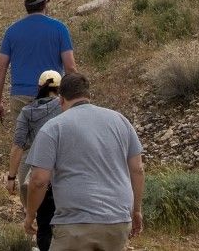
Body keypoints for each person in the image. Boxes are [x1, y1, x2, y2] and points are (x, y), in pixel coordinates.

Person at [24, 73, 145, 251]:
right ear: (88, 96)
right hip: (117, 223)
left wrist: (30, 215)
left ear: (61, 99)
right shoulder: (120, 121)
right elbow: (138, 170)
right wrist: (136, 211)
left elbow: (39, 180)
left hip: (74, 224)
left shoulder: (53, 127)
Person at [0, 0, 77, 191]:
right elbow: (70, 66)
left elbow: (1, 68)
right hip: (51, 95)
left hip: (20, 94)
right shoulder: (59, 29)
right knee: (55, 145)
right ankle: (53, 198)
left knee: (25, 147)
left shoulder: (12, 31)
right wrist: (77, 97)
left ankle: (27, 201)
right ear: (45, 3)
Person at [9, 70, 63, 251]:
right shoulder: (64, 107)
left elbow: (17, 146)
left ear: (39, 87)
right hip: (59, 168)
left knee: (37, 217)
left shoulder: (27, 111)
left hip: (31, 169)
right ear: (60, 88)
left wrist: (11, 177)